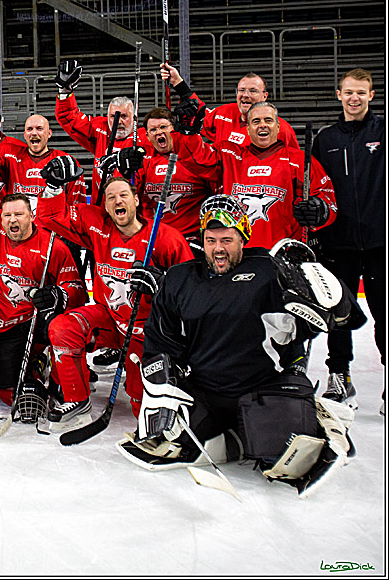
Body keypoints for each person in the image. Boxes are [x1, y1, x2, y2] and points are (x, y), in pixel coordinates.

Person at [119, 195, 360, 498]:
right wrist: (165, 381)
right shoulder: (179, 279)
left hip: (264, 385)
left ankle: (313, 417)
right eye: (211, 240)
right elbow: (161, 340)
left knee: (288, 459)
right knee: (168, 442)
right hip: (207, 389)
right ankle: (236, 434)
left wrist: (326, 293)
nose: (218, 248)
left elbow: (339, 319)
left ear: (243, 238)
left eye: (227, 240)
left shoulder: (271, 270)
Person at [35, 161, 193, 428]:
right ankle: (77, 399)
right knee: (62, 327)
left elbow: (190, 291)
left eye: (123, 195)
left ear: (136, 200)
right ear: (106, 206)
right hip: (108, 319)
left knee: (141, 404)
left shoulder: (166, 238)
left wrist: (162, 285)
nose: (117, 201)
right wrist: (52, 187)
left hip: (146, 329)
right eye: (110, 197)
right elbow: (51, 218)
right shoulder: (99, 226)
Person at [0, 157, 87, 410]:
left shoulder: (52, 245)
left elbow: (76, 289)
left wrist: (58, 295)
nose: (13, 220)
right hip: (6, 326)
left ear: (32, 216)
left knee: (63, 326)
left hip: (36, 321)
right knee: (8, 395)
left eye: (19, 215)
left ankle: (55, 371)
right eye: (7, 215)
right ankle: (21, 362)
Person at [311, 68, 385, 409]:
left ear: (371, 95)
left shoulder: (383, 131)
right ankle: (339, 376)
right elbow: (316, 189)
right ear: (339, 95)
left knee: (385, 314)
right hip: (338, 244)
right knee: (338, 315)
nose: (354, 98)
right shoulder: (325, 139)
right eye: (349, 92)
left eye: (361, 92)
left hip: (379, 243)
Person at [172, 101, 337, 249]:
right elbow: (197, 159)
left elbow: (328, 201)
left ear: (278, 126)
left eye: (268, 120)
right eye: (256, 121)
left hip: (282, 254)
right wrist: (188, 133)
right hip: (236, 254)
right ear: (248, 129)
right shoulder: (229, 155)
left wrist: (319, 210)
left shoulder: (299, 160)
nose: (262, 125)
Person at [116, 106, 215, 253]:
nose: (159, 132)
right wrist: (124, 171)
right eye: (153, 130)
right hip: (153, 241)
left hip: (190, 242)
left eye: (163, 127)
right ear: (147, 136)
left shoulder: (194, 156)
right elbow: (127, 190)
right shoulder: (143, 160)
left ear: (174, 129)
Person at [53, 59, 150, 198]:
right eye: (113, 116)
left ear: (134, 118)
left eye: (124, 116)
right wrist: (65, 89)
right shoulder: (101, 129)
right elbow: (68, 116)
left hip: (131, 208)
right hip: (101, 207)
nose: (119, 121)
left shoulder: (146, 137)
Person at [161, 64, 298, 150]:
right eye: (242, 90)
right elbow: (200, 113)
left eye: (253, 91)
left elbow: (295, 164)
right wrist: (177, 82)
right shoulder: (225, 112)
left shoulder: (282, 129)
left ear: (265, 96)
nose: (245, 95)